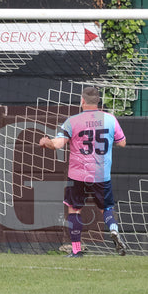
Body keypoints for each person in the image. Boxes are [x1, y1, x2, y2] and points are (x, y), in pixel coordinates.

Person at [39, 87, 127, 257]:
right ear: (98, 101)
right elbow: (122, 142)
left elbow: (57, 145)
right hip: (101, 174)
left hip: (78, 174)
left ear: (82, 101)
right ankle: (114, 230)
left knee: (74, 209)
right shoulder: (110, 119)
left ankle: (77, 250)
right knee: (106, 208)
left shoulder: (72, 121)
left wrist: (46, 142)